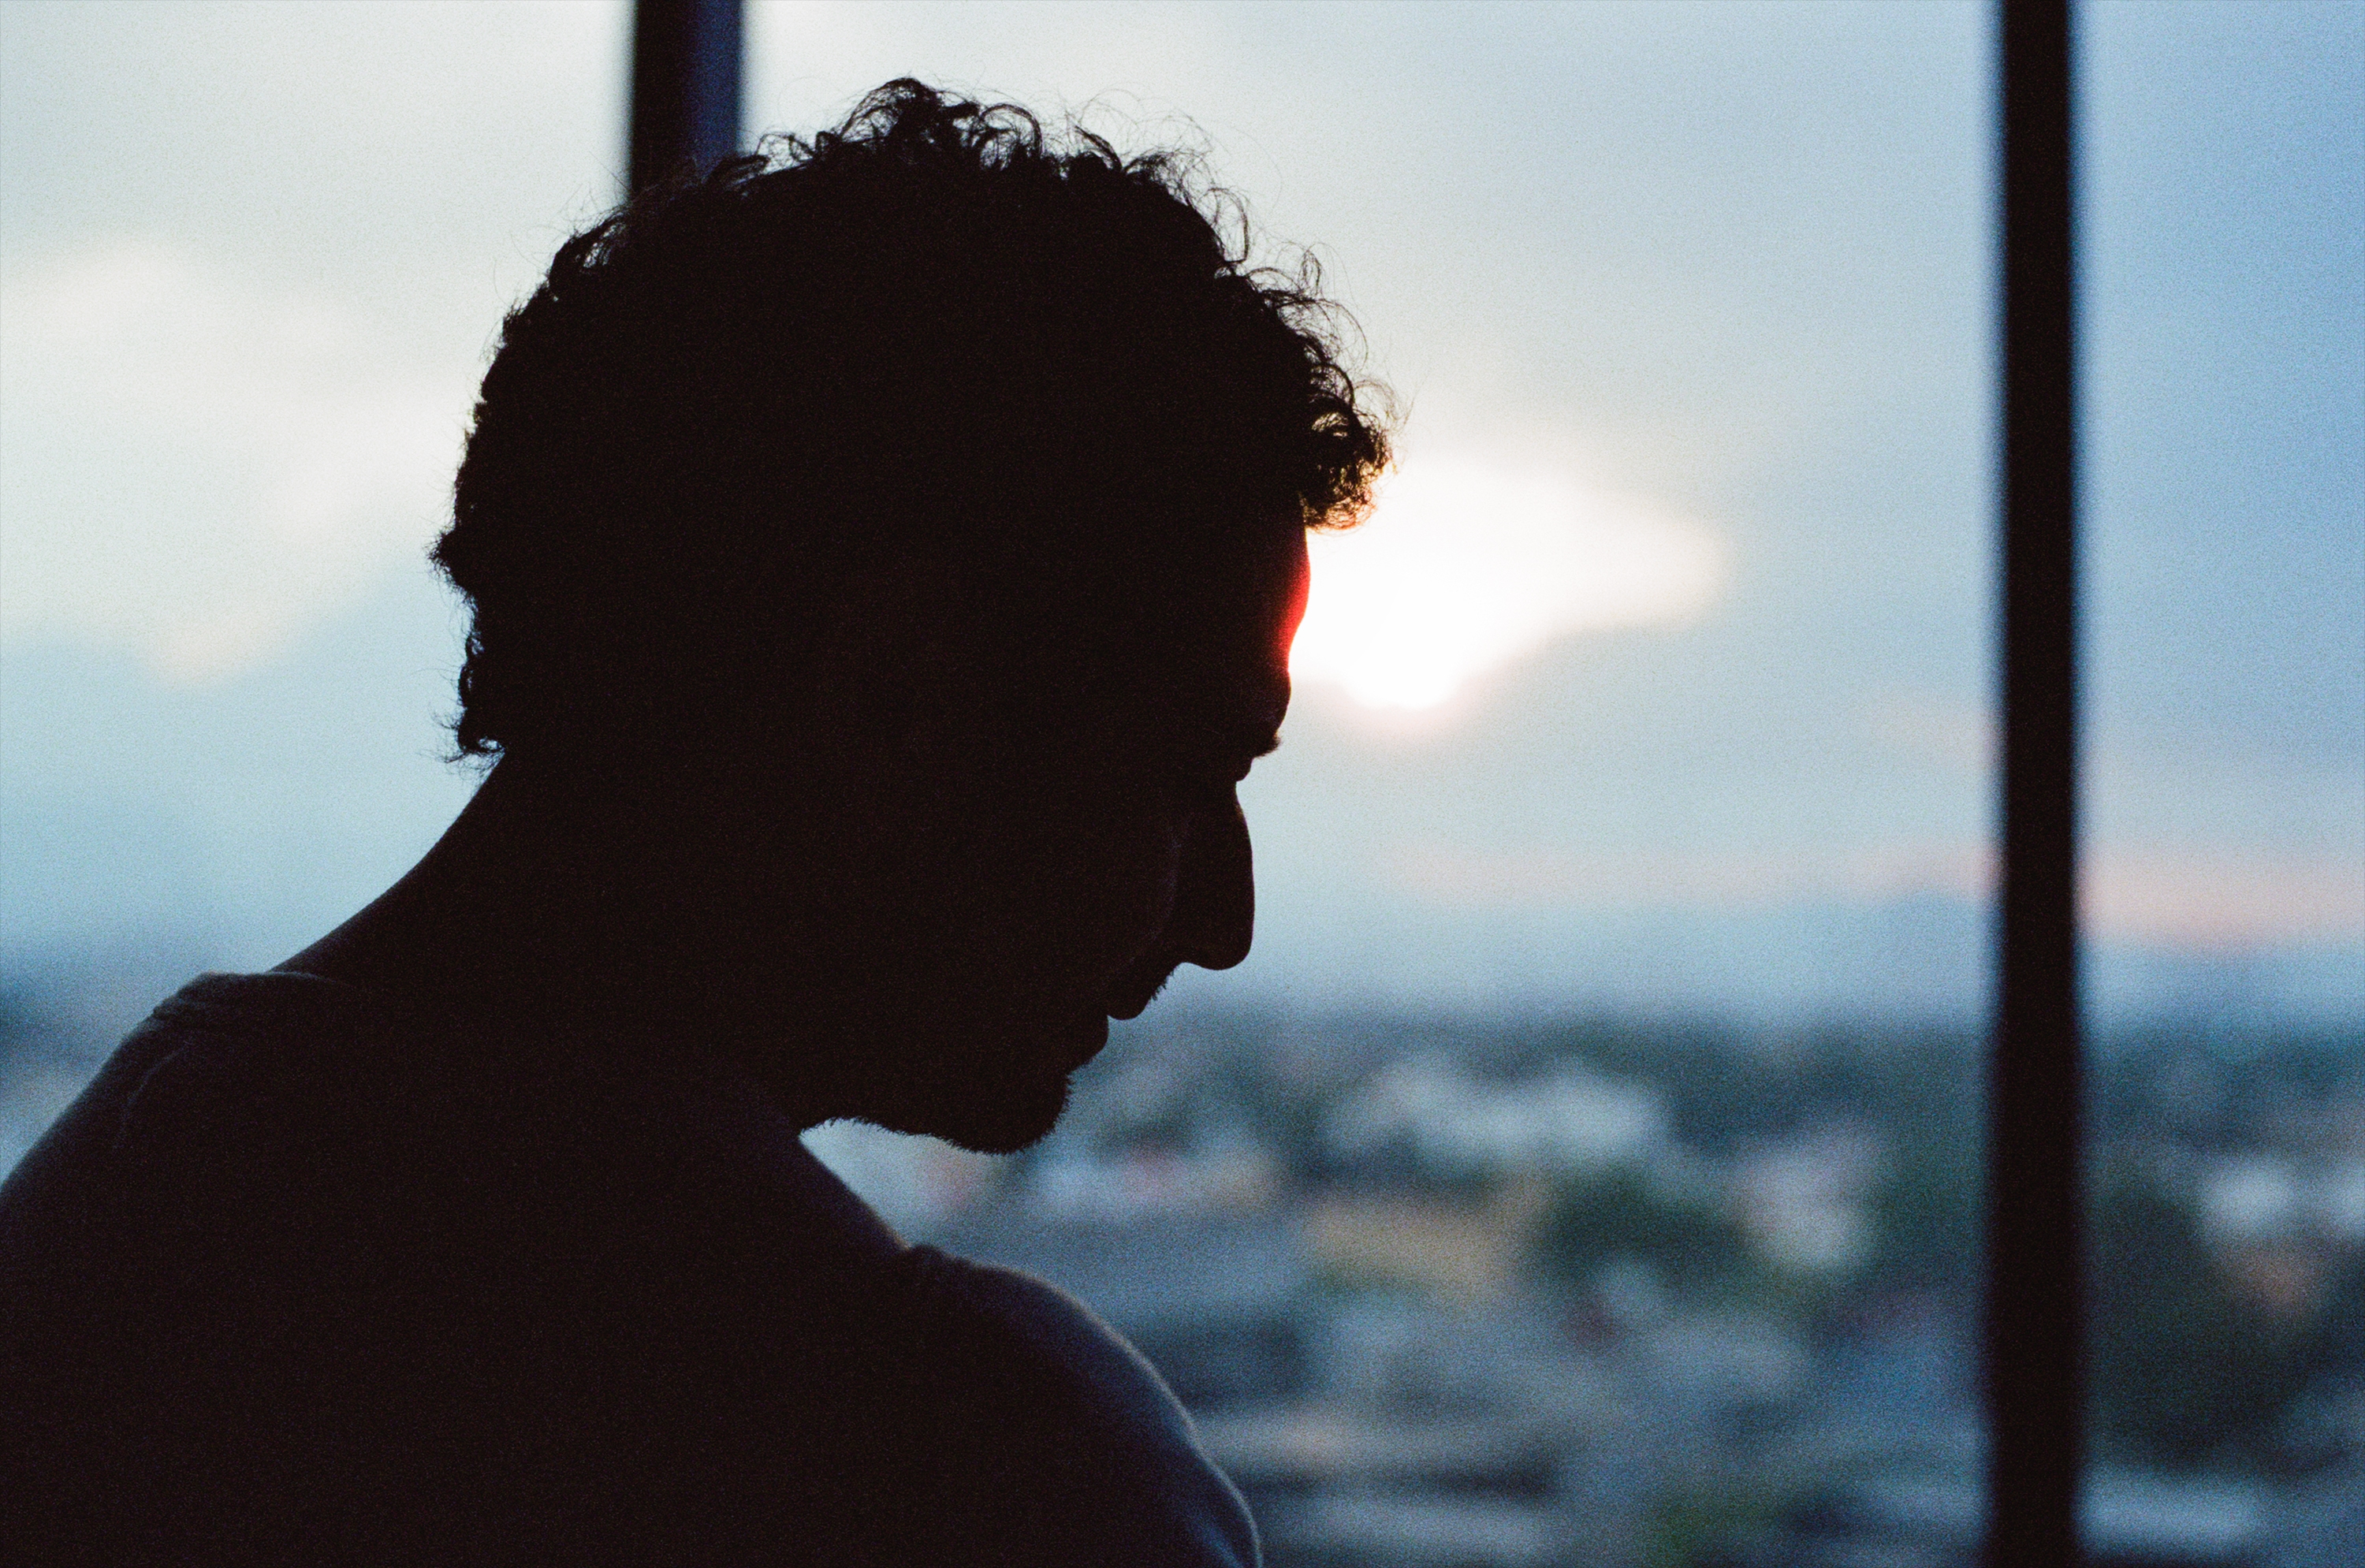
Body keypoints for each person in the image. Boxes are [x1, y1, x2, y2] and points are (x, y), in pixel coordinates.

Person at [0, 81, 1388, 1565]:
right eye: (1190, 768)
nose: (1225, 920)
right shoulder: (956, 1472)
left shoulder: (99, 1255)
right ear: (900, 691)